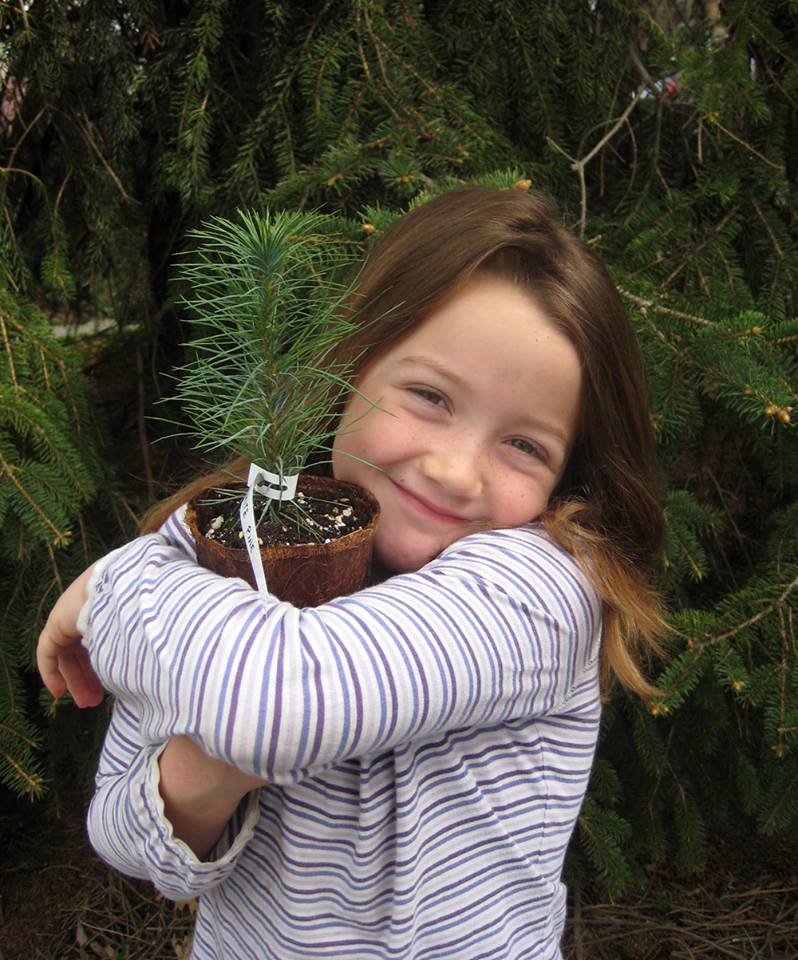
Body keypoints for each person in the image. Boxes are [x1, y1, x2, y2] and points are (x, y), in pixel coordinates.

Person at [37, 186, 666, 960]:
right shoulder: (226, 540)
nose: (456, 470)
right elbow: (127, 840)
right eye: (431, 396)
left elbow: (276, 704)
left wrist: (113, 586)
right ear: (349, 370)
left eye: (524, 446)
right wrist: (206, 774)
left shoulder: (538, 586)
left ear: (568, 474)